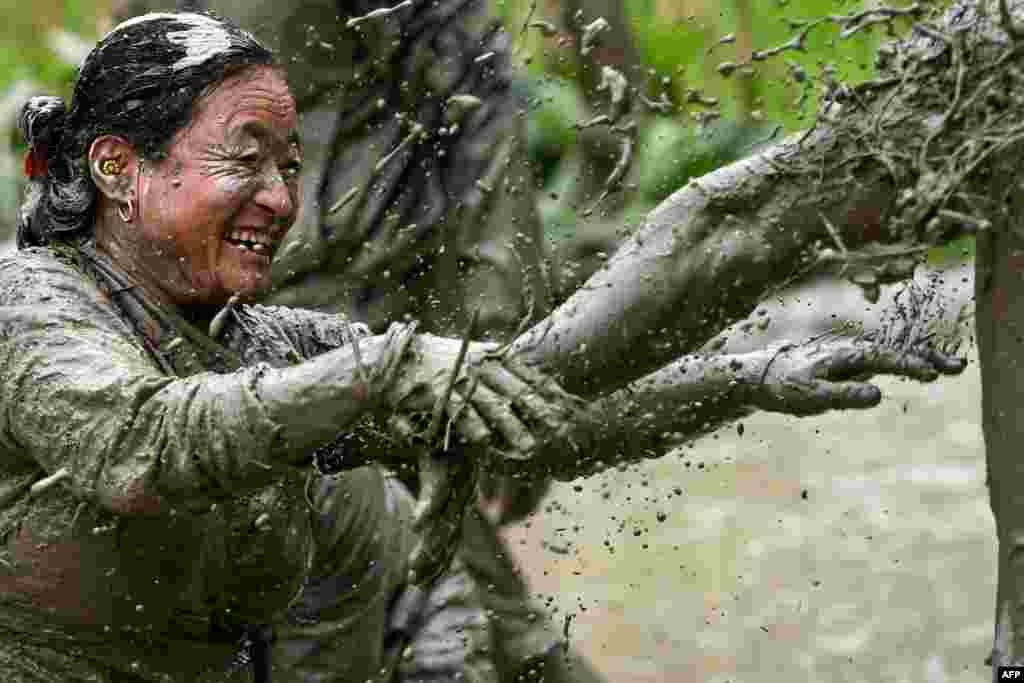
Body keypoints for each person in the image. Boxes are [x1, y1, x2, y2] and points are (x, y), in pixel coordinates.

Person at [3, 11, 965, 683]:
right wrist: (384, 368)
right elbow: (139, 445)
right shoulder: (34, 308)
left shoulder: (255, 336)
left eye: (290, 166)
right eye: (243, 158)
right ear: (119, 168)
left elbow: (529, 404)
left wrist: (750, 375)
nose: (280, 199)